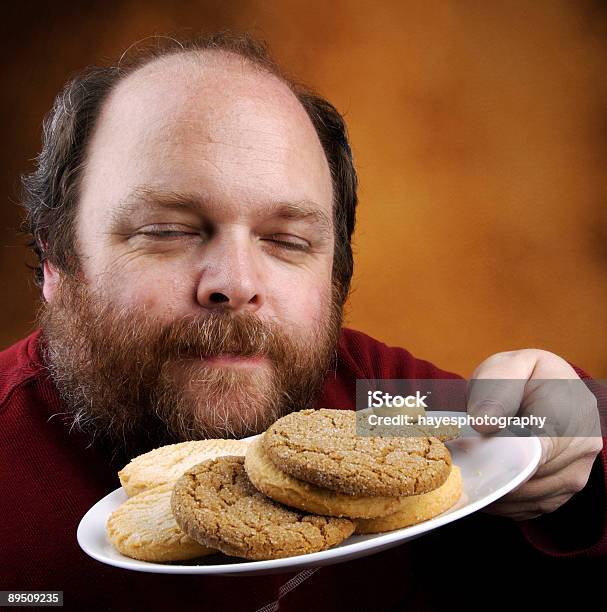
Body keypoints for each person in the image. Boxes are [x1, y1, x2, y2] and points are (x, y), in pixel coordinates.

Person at [0, 32, 604, 611]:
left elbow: (533, 424)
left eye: (287, 240)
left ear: (336, 275)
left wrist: (576, 462)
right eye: (167, 230)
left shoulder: (375, 405)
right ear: (55, 260)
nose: (236, 284)